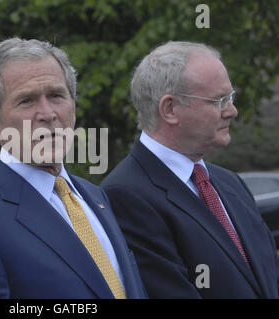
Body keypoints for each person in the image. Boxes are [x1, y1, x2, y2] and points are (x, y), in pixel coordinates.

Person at [0, 37, 147, 299]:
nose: (47, 113)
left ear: (73, 107)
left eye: (56, 95)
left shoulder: (95, 196)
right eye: (26, 101)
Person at [101, 41, 279, 298]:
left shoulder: (229, 183)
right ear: (170, 109)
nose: (232, 111)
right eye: (218, 100)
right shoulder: (126, 196)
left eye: (230, 98)